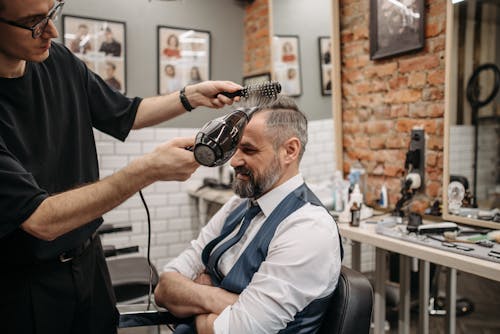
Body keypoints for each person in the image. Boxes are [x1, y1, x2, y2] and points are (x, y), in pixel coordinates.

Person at [0, 1, 242, 334]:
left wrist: (191, 96)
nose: (52, 32)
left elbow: (126, 113)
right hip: (26, 285)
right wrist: (146, 171)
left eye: (51, 13)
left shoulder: (59, 61)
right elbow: (41, 220)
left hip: (89, 263)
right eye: (33, 23)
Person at [154, 95, 343, 334]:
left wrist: (196, 298)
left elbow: (235, 331)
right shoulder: (238, 206)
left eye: (249, 150)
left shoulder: (307, 228)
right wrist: (224, 301)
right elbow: (165, 287)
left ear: (290, 151)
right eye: (235, 148)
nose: (234, 161)